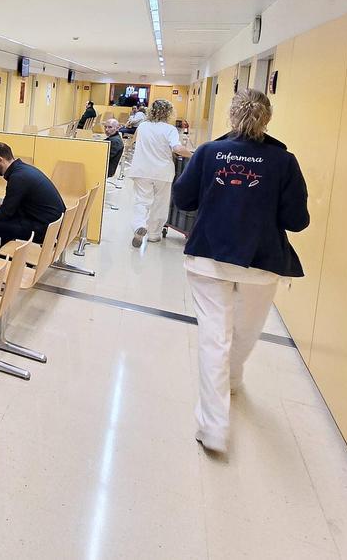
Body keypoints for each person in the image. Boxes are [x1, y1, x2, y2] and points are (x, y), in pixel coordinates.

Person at [172, 89, 308, 454]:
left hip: (208, 258)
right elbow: (298, 220)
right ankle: (231, 380)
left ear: (232, 116)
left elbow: (183, 199)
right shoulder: (284, 161)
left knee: (215, 337)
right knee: (245, 333)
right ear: (268, 118)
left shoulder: (209, 152)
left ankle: (213, 426)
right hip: (261, 263)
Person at [0, 142, 65, 271]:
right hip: (51, 224)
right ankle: (5, 262)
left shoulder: (18, 177)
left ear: (0, 160)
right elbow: (11, 204)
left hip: (45, 229)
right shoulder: (23, 170)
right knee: (5, 223)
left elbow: (4, 213)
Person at [127, 99, 193, 247]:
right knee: (160, 203)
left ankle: (139, 224)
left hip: (142, 170)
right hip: (162, 172)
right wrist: (195, 156)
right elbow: (177, 148)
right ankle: (154, 234)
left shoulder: (143, 126)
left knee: (141, 201)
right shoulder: (170, 129)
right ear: (169, 113)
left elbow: (135, 142)